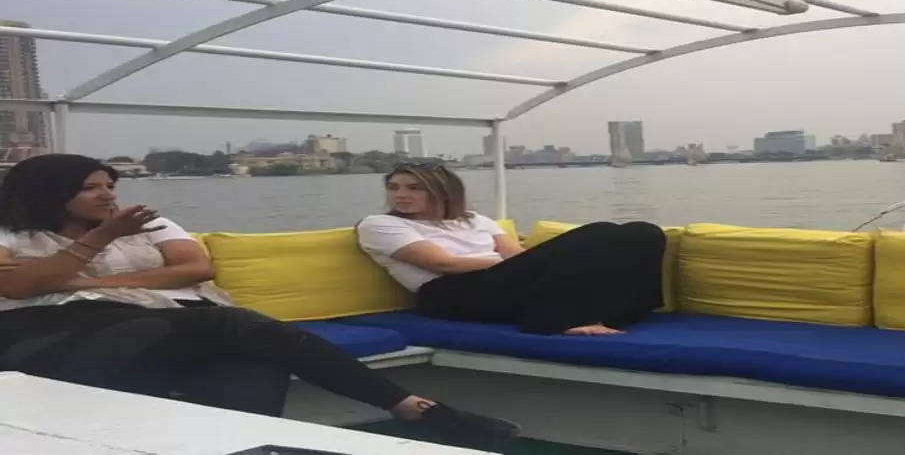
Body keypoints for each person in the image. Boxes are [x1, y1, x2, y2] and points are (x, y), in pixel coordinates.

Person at [0, 154, 519, 446]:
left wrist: (71, 279)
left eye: (110, 184)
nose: (108, 194)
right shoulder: (12, 233)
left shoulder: (150, 222)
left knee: (249, 359)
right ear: (50, 191)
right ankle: (412, 408)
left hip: (160, 325)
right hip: (51, 334)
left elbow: (195, 268)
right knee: (233, 325)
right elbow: (19, 289)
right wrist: (101, 241)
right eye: (91, 187)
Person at [356, 163, 665, 336]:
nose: (400, 195)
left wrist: (535, 262)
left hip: (500, 286)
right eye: (394, 188)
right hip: (450, 293)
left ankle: (625, 312)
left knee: (643, 232)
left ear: (444, 191)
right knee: (599, 232)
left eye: (414, 188)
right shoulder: (380, 224)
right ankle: (551, 322)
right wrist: (525, 261)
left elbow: (517, 258)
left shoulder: (475, 219)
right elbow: (445, 264)